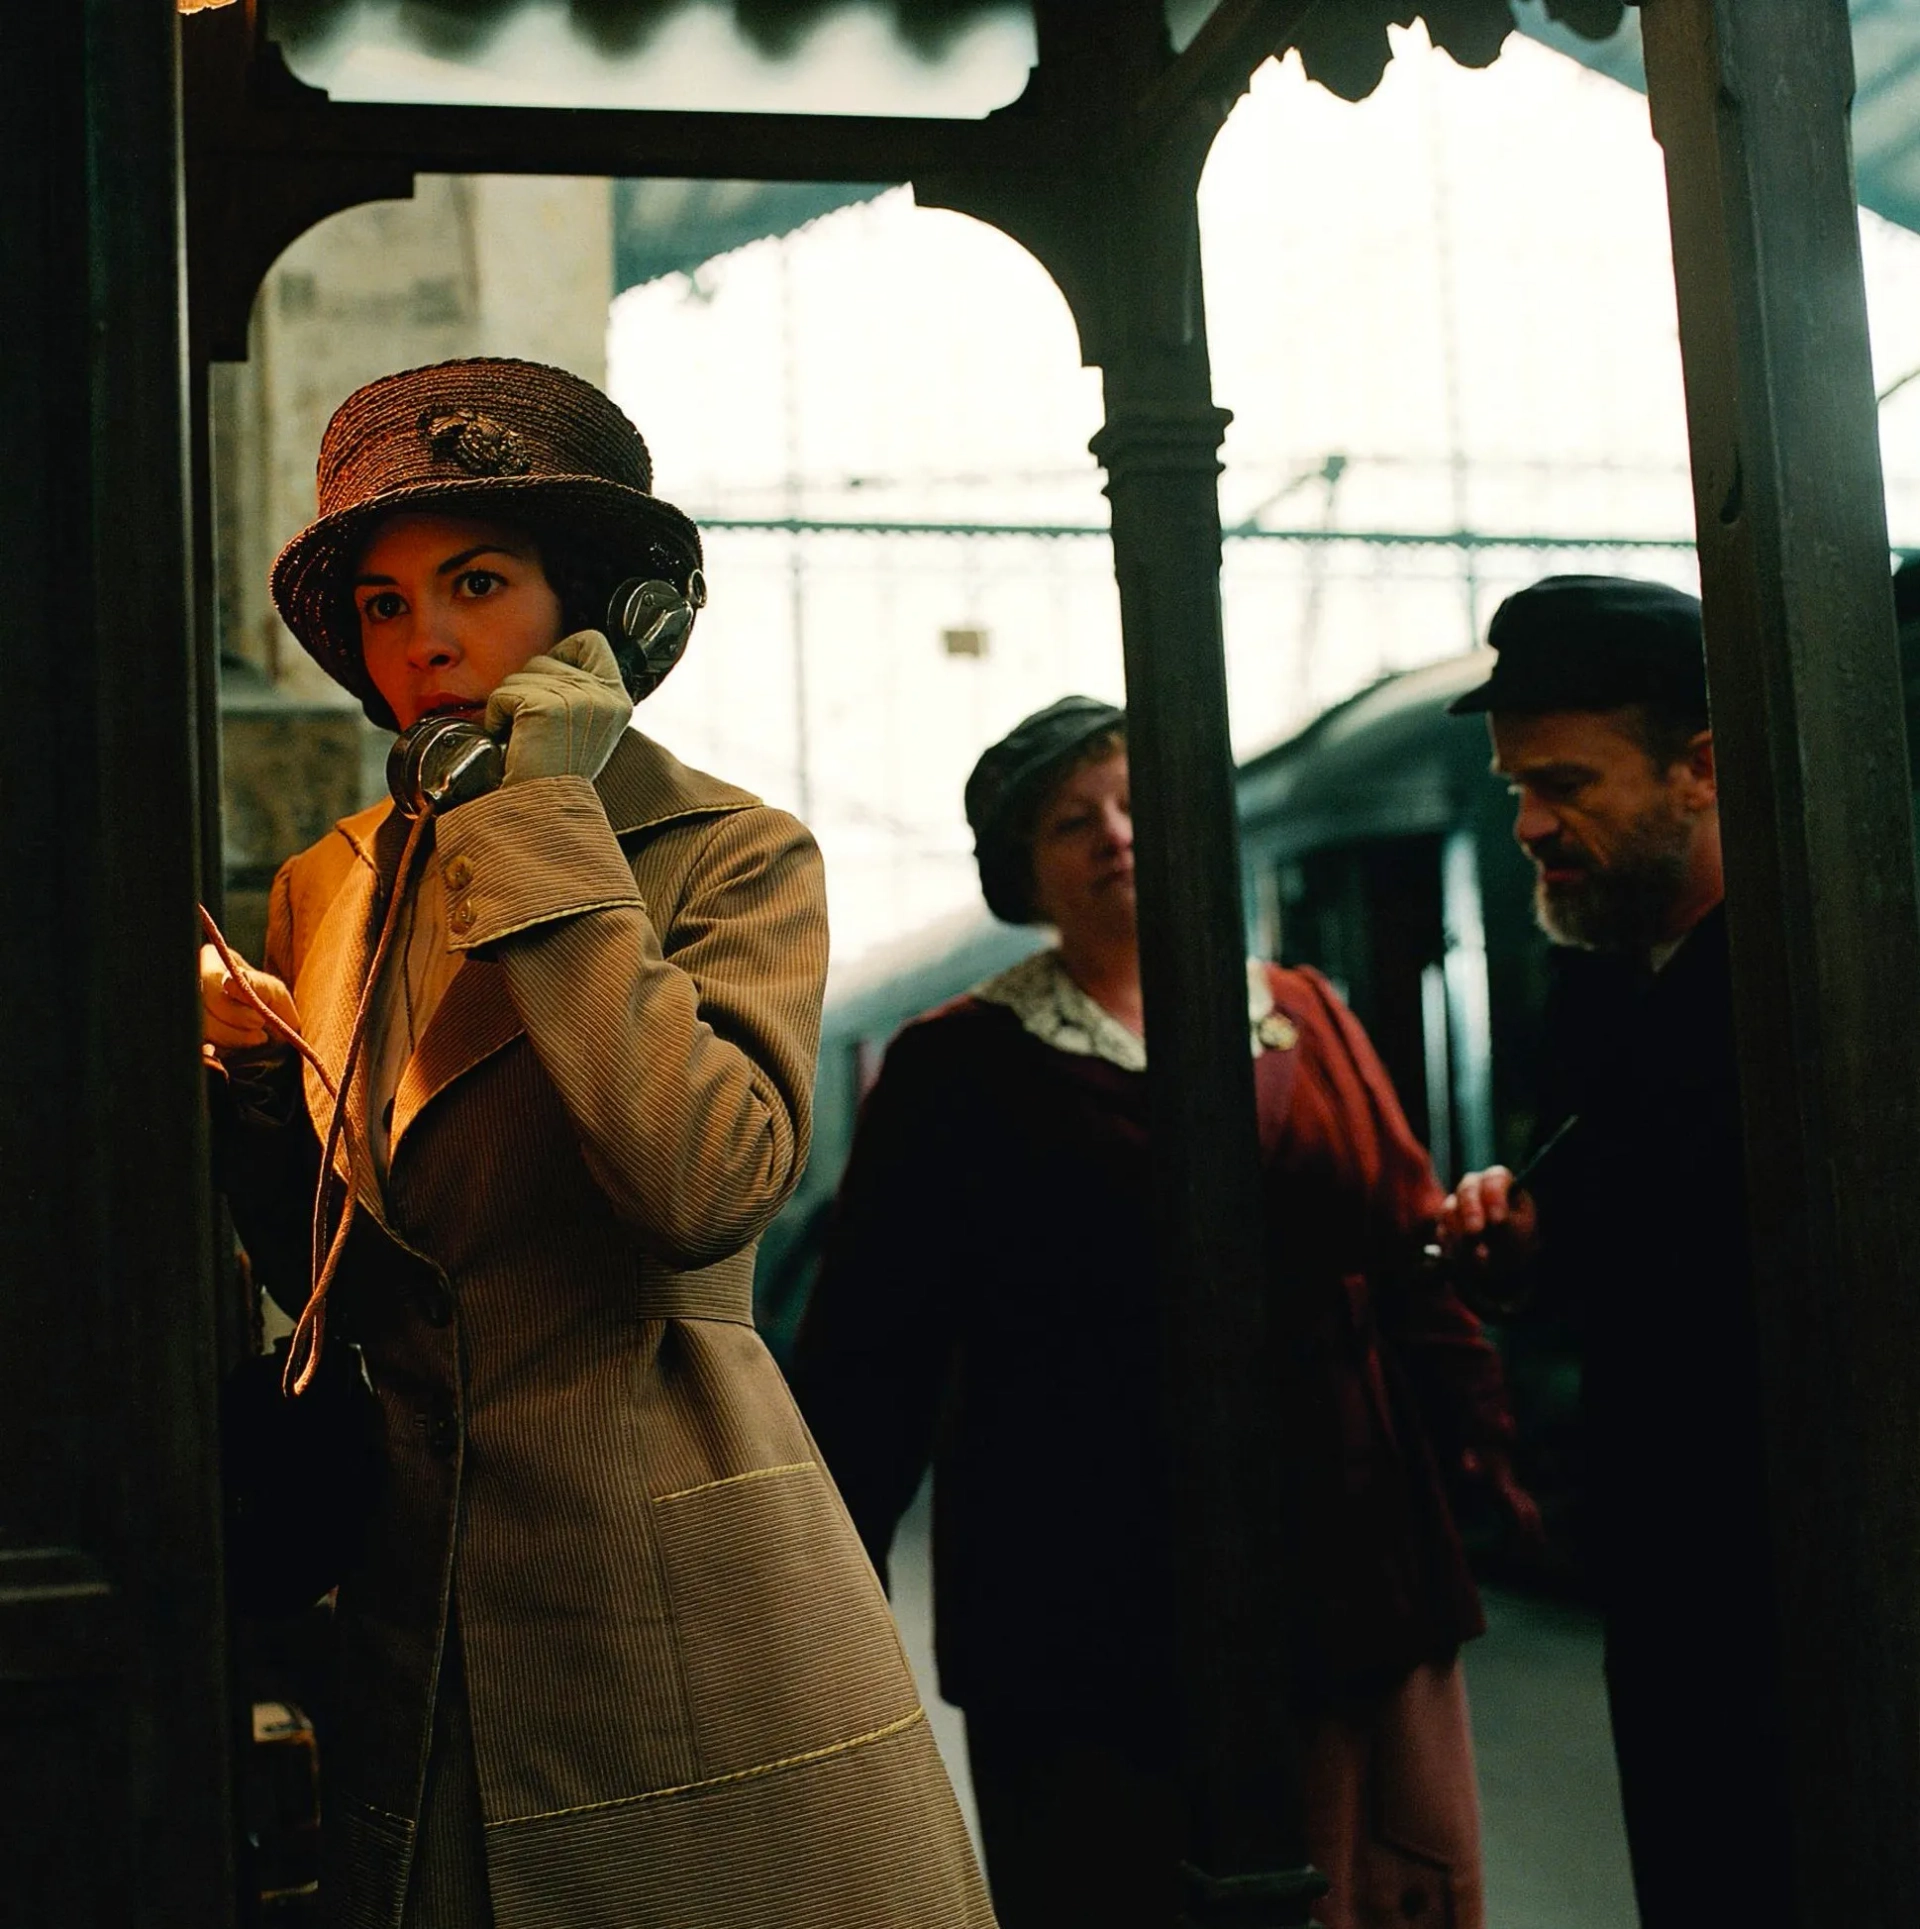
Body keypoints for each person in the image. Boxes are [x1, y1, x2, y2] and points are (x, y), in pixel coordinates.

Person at [200, 358, 992, 1929]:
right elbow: (364, 1266)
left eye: (475, 583)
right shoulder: (334, 881)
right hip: (418, 1603)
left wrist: (544, 831)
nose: (420, 636)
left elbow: (703, 1186)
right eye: (380, 600)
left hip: (669, 1590)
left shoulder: (735, 855)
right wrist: (242, 1080)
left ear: (606, 620)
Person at [790, 696, 1531, 1929]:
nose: (1119, 835)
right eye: (1075, 821)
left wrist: (1484, 1464)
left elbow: (1409, 1264)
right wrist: (823, 1588)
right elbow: (875, 1353)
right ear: (1022, 872)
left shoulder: (1310, 1013)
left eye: (1139, 805)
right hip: (1075, 1592)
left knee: (1362, 1884)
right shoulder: (957, 1064)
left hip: (1345, 1561)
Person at [1436, 575, 1794, 1929]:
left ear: (1702, 769)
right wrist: (1524, 1243)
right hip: (1667, 1572)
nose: (1529, 823)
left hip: (1806, 1575)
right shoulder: (1598, 976)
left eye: (1566, 782)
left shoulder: (1812, 970)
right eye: (1517, 784)